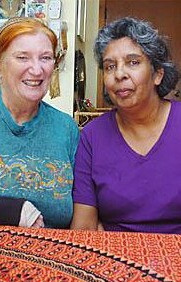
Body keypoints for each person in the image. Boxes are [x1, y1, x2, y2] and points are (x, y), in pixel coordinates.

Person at [71, 17, 181, 234]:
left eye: (133, 62)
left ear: (158, 73)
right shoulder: (92, 137)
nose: (119, 74)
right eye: (110, 66)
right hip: (115, 259)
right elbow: (84, 228)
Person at [0, 17, 79, 229]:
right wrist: (12, 212)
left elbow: (81, 213)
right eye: (22, 57)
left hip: (50, 257)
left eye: (45, 58)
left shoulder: (67, 129)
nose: (36, 70)